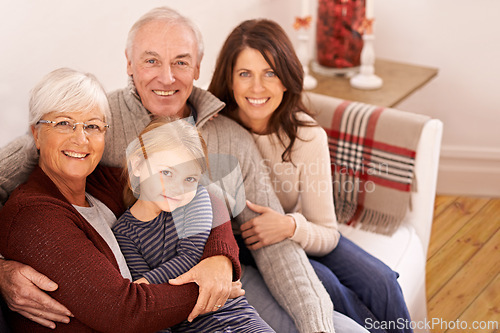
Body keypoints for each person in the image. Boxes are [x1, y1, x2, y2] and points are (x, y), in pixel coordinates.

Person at [0, 6, 368, 333]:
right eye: (150, 61)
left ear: (197, 67)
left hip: (234, 280)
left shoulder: (231, 137)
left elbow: (272, 245)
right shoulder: (96, 119)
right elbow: (16, 176)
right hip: (165, 295)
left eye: (180, 61)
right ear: (128, 64)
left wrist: (223, 260)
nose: (166, 77)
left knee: (347, 320)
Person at [208, 18, 414, 333]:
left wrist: (290, 226)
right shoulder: (216, 133)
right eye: (245, 74)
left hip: (294, 229)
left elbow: (328, 232)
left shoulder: (306, 136)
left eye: (270, 73)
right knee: (328, 284)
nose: (257, 88)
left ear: (287, 79)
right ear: (230, 80)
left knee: (382, 281)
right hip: (251, 244)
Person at [0, 67, 243, 332]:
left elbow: (202, 193)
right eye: (63, 123)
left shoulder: (101, 183)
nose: (80, 139)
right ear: (36, 133)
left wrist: (219, 259)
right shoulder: (34, 215)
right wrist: (214, 289)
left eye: (93, 126)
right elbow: (124, 312)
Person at [113, 117, 273, 332]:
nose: (178, 188)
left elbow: (191, 257)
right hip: (187, 325)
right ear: (138, 165)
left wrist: (141, 286)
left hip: (236, 318)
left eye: (189, 179)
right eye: (167, 173)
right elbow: (150, 305)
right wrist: (143, 294)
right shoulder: (123, 233)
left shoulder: (197, 199)